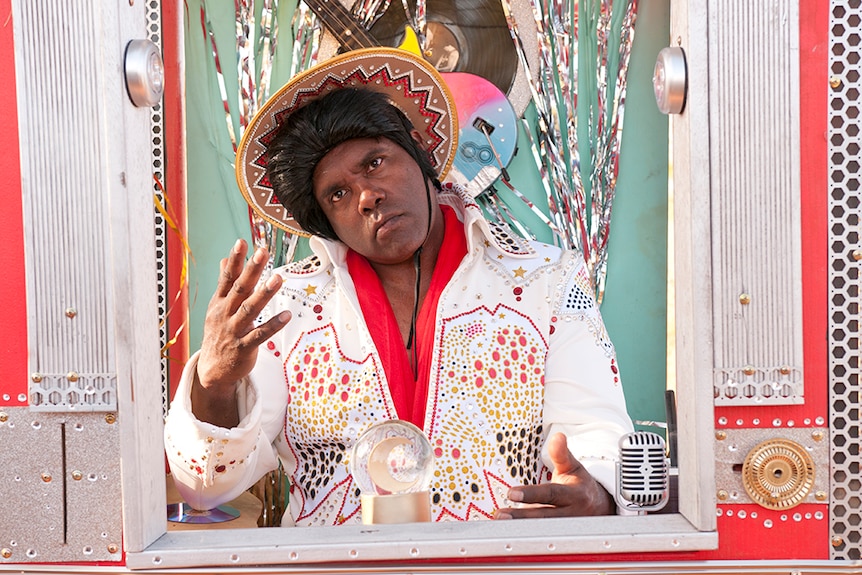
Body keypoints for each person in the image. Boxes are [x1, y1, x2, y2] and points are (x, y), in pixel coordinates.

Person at [165, 47, 634, 526]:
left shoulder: (546, 279)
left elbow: (595, 431)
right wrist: (214, 384)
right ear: (325, 222)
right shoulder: (285, 306)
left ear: (418, 150)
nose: (368, 196)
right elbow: (205, 487)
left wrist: (596, 491)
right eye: (338, 194)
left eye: (375, 163)